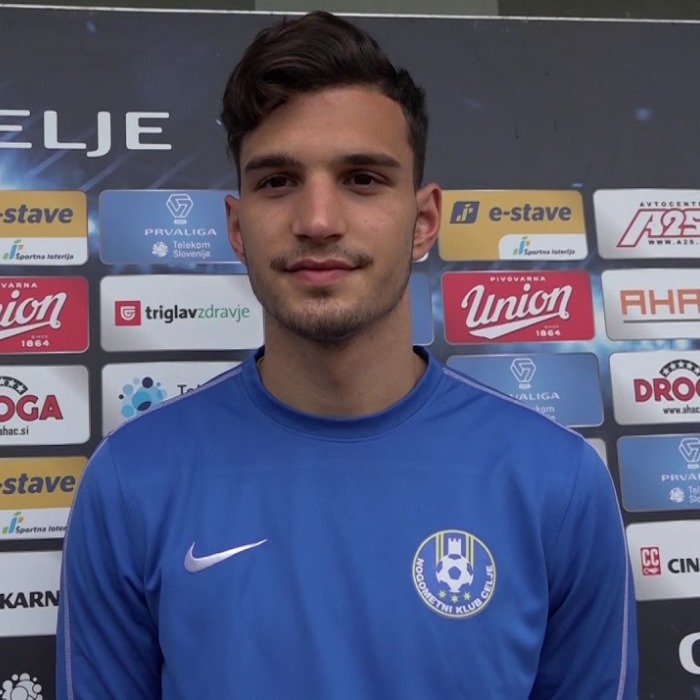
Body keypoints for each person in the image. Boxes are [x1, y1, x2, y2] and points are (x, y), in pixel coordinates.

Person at [56, 11, 638, 698]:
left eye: (362, 178)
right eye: (278, 181)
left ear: (423, 221)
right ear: (237, 228)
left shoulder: (558, 481)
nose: (318, 220)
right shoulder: (130, 481)